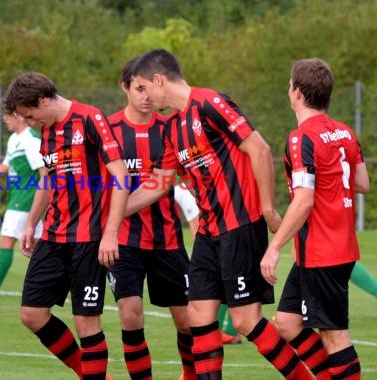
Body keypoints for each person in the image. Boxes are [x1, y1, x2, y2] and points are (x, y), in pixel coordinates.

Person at [125, 49, 312, 379]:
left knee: (244, 320)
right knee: (198, 313)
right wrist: (109, 216)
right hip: (209, 234)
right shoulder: (171, 129)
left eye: (144, 88)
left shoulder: (209, 103)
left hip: (240, 225)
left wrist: (267, 209)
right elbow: (158, 185)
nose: (146, 97)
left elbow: (260, 148)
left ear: (158, 80)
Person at [2, 72, 129, 379]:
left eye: (31, 115)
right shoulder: (46, 131)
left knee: (86, 322)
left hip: (89, 238)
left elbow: (122, 175)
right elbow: (48, 179)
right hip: (53, 235)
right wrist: (31, 223)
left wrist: (110, 234)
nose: (30, 122)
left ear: (44, 100)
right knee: (31, 314)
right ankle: (88, 373)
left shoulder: (90, 119)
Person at [261, 58, 369, 379]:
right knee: (287, 322)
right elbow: (362, 183)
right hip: (334, 247)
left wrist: (274, 247)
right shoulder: (345, 132)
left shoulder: (301, 138)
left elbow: (304, 200)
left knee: (334, 336)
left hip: (323, 251)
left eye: (290, 85)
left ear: (296, 92)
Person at [107, 57, 194, 379]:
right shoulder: (108, 130)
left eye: (148, 88)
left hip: (166, 240)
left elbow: (174, 182)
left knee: (187, 321)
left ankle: (190, 374)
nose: (145, 95)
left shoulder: (170, 128)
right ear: (125, 88)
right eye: (137, 88)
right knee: (130, 317)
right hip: (123, 242)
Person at [0, 113, 45, 299]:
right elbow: (5, 166)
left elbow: (45, 173)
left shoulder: (31, 140)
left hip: (24, 200)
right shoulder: (14, 139)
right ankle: (61, 283)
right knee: (39, 248)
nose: (4, 119)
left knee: (6, 240)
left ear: (19, 116)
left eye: (8, 115)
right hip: (19, 198)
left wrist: (42, 200)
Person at [175, 183, 241, 345]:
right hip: (184, 184)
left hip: (185, 184)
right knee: (214, 258)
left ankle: (225, 329)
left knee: (214, 258)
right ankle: (225, 329)